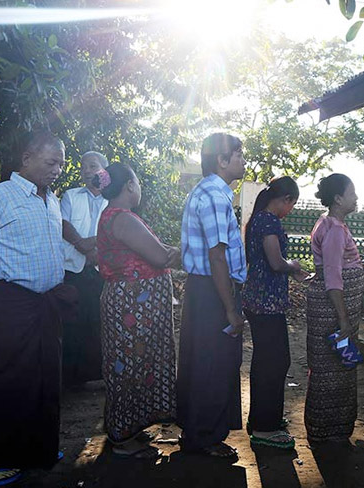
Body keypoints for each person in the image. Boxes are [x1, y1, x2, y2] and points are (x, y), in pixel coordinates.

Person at [0, 132, 73, 485]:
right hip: (11, 303)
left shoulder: (51, 200)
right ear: (26, 158)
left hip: (47, 304)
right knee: (3, 380)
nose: (57, 169)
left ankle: (35, 450)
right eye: (51, 162)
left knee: (43, 378)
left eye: (61, 163)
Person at [94, 163, 178, 459]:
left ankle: (131, 426)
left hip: (134, 305)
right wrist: (185, 252)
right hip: (132, 307)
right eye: (138, 182)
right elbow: (158, 253)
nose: (139, 188)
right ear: (130, 185)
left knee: (135, 363)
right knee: (129, 365)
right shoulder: (123, 218)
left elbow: (152, 248)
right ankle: (122, 436)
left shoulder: (117, 217)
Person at [178, 133, 247, 459]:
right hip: (212, 290)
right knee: (213, 363)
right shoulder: (216, 197)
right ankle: (204, 437)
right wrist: (230, 308)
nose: (243, 160)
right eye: (238, 154)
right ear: (221, 160)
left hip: (204, 288)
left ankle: (198, 433)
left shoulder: (205, 192)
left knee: (201, 360)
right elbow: (217, 255)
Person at [241, 176, 307, 449]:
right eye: (291, 205)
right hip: (265, 302)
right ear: (285, 199)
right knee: (274, 361)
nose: (289, 210)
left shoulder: (258, 219)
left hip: (260, 300)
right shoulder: (269, 221)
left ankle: (261, 419)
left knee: (267, 360)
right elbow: (276, 262)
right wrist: (293, 265)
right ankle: (265, 428)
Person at [305, 173, 363, 442]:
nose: (356, 197)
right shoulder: (336, 230)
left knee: (329, 365)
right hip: (333, 311)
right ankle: (330, 430)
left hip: (330, 309)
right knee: (335, 368)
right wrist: (343, 319)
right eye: (352, 192)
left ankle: (327, 428)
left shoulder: (327, 224)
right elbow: (333, 277)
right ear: (338, 198)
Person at [60, 151, 109, 386]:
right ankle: (71, 377)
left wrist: (92, 247)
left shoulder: (112, 200)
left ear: (104, 171)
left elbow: (114, 230)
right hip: (73, 269)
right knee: (72, 321)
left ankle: (95, 375)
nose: (87, 171)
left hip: (102, 269)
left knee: (97, 321)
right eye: (83, 167)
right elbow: (63, 224)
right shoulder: (71, 196)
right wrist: (82, 244)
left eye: (93, 166)